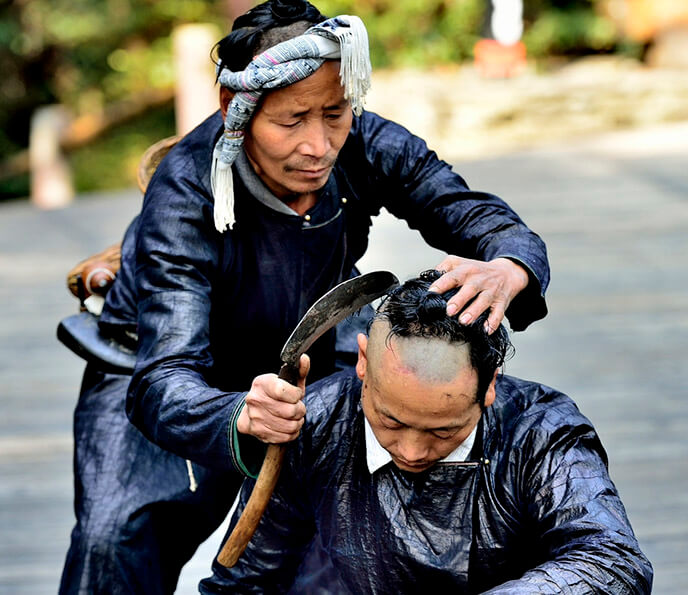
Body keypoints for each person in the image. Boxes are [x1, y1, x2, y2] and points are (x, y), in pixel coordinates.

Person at [59, 1, 551, 593]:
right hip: (160, 370)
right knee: (116, 541)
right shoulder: (185, 189)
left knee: (349, 529)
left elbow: (466, 210)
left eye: (334, 115)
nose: (319, 146)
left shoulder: (367, 142)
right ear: (235, 110)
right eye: (292, 122)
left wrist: (509, 263)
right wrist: (236, 412)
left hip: (310, 349)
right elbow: (164, 375)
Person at [201, 271, 653, 594]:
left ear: (490, 383)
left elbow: (612, 561)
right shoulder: (316, 422)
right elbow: (244, 581)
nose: (412, 451)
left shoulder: (539, 428)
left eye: (443, 431)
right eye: (391, 422)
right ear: (362, 362)